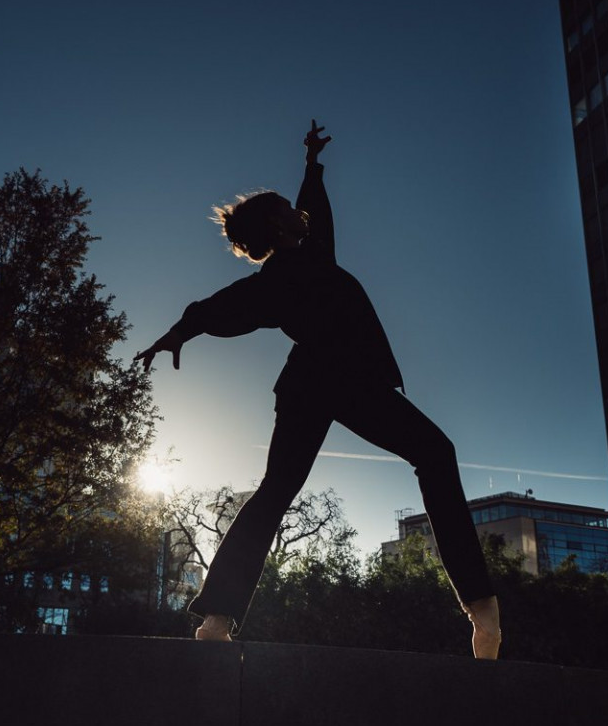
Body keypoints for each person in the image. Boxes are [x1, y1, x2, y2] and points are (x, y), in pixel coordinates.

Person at [136, 120, 501, 659]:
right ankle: (481, 610)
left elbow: (308, 214)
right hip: (333, 381)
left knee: (285, 489)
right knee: (426, 455)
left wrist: (310, 164)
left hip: (319, 382)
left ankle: (216, 619)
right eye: (288, 210)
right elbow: (223, 306)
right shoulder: (285, 275)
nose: (299, 213)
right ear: (278, 228)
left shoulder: (306, 254)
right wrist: (180, 331)